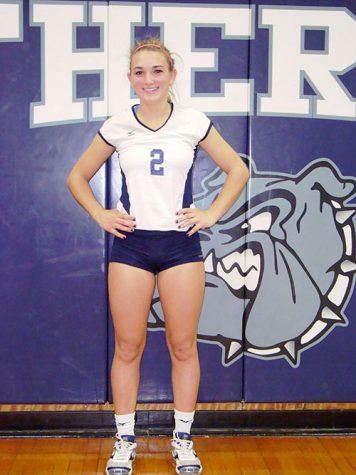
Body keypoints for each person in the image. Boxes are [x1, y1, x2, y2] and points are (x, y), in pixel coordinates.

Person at [67, 37, 249, 475]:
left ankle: (183, 439)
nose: (148, 79)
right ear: (130, 78)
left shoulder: (192, 121)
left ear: (171, 75)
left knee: (182, 346)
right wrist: (100, 214)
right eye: (139, 72)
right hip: (131, 245)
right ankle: (124, 441)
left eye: (156, 71)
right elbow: (77, 175)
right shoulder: (117, 125)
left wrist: (210, 214)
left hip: (180, 245)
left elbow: (238, 169)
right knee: (128, 347)